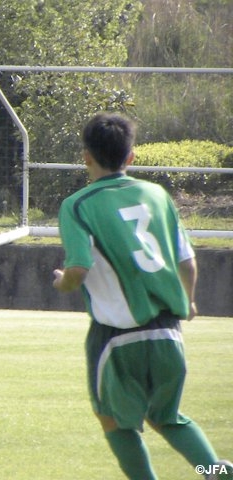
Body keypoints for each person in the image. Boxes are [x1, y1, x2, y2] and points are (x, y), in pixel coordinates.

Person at [52, 112, 231, 479]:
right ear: (131, 157)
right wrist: (190, 300)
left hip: (117, 336)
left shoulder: (78, 205)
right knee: (168, 417)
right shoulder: (157, 194)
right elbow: (188, 261)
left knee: (115, 421)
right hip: (168, 332)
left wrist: (62, 283)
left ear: (85, 156)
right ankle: (214, 471)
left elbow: (78, 271)